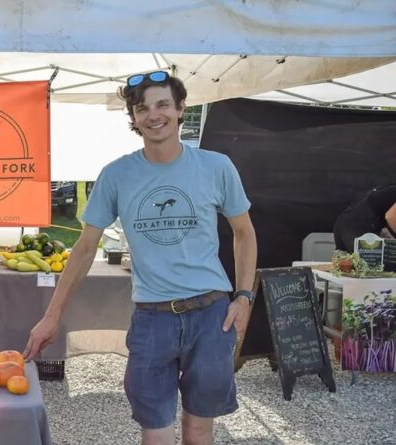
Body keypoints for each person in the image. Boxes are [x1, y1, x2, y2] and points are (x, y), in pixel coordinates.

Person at [23, 72, 257, 445]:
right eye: (142, 108)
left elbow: (244, 232)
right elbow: (84, 248)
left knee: (199, 429)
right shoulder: (117, 175)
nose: (153, 115)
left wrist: (243, 297)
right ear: (133, 117)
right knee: (155, 429)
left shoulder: (216, 167)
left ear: (181, 109)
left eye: (163, 104)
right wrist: (52, 316)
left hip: (211, 315)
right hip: (152, 318)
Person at [333, 183, 396, 253]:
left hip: (343, 223)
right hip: (357, 228)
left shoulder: (389, 189)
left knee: (344, 259)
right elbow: (390, 217)